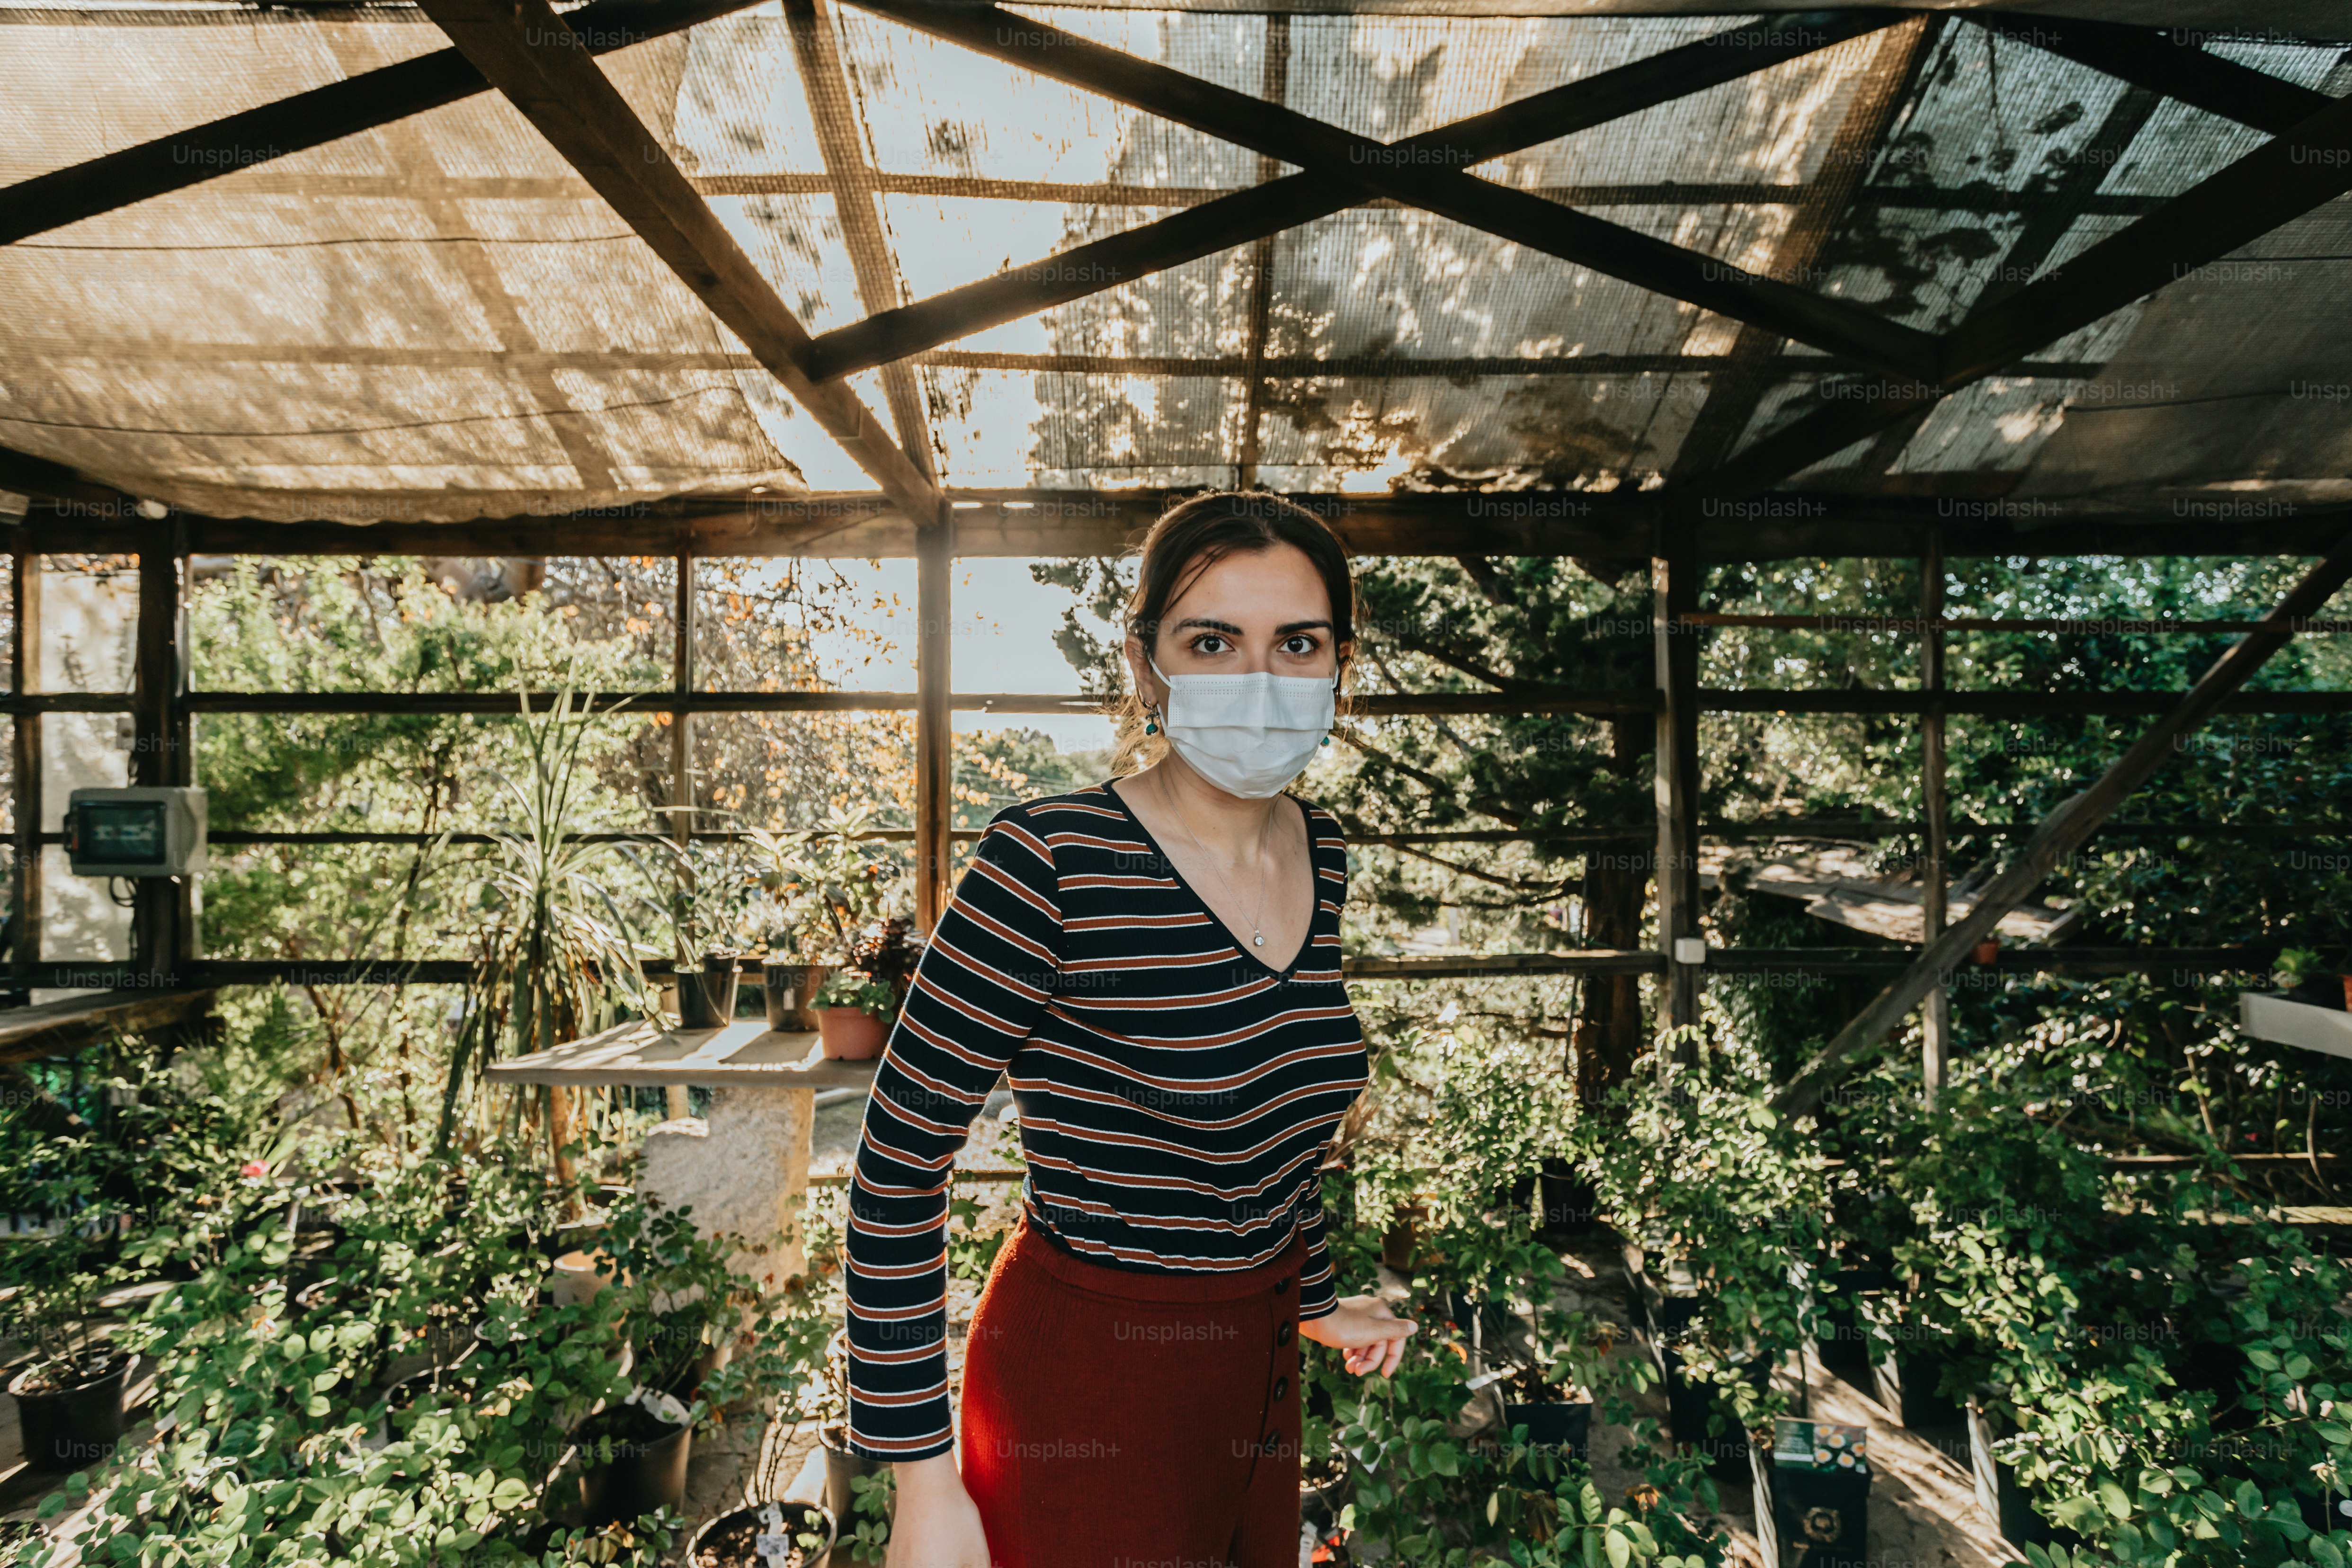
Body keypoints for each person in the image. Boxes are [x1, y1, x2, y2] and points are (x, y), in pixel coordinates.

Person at [841, 490, 1417, 1567]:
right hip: (1088, 1388)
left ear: (1341, 664)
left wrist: (1320, 1300)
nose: (1259, 678)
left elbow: (1274, 1116)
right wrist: (923, 1486)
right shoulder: (1048, 861)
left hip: (1255, 1381)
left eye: (1298, 643)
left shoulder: (1321, 852)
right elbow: (895, 1169)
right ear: (1146, 664)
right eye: (1213, 641)